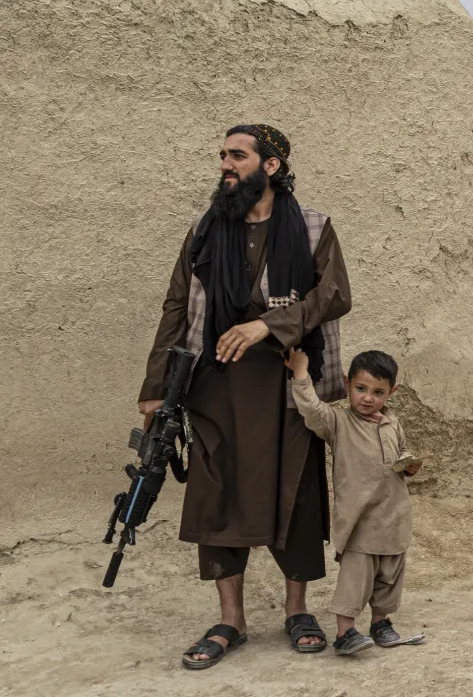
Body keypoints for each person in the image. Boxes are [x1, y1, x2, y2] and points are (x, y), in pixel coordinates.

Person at [138, 124, 351, 669]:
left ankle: (297, 611)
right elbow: (176, 306)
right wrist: (156, 387)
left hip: (288, 380)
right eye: (223, 156)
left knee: (295, 492)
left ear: (270, 165)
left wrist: (267, 325)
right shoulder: (205, 229)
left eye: (237, 155)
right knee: (217, 494)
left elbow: (333, 295)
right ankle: (230, 620)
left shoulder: (313, 227)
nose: (226, 165)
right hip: (216, 384)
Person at [287, 348, 425, 655]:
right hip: (358, 521)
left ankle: (380, 623)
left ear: (391, 392)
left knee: (389, 575)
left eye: (378, 392)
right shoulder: (339, 422)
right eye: (361, 389)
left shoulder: (392, 422)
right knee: (355, 578)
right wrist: (299, 371)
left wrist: (409, 464)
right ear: (347, 383)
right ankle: (345, 632)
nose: (368, 398)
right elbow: (311, 408)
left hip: (394, 518)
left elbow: (401, 451)